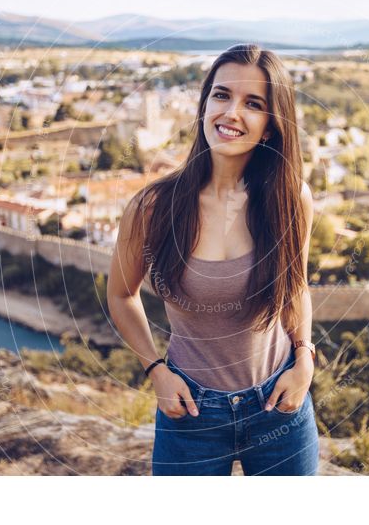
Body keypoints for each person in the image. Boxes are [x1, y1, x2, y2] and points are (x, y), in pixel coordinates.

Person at [107, 43, 318, 476]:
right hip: (190, 413)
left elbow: (296, 286)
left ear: (271, 127)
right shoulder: (152, 207)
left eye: (253, 103)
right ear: (204, 104)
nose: (231, 112)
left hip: (279, 405)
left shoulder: (291, 200)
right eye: (221, 95)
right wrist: (155, 372)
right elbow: (120, 294)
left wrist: (305, 360)